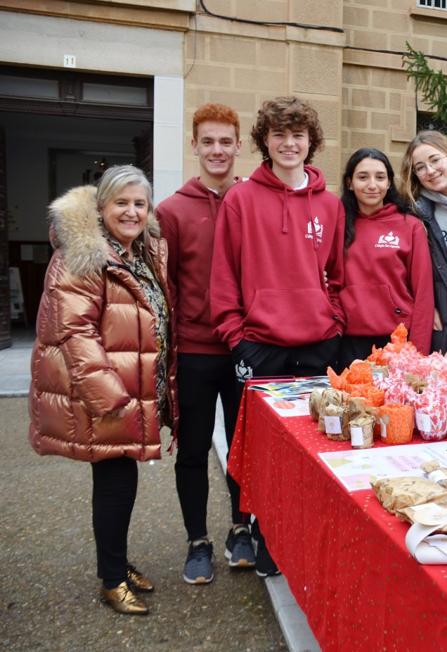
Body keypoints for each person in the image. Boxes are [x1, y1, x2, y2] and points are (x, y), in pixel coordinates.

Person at [29, 165, 175, 615]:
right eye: (121, 203)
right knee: (114, 482)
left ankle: (117, 564)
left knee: (120, 480)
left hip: (134, 388)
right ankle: (112, 580)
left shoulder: (139, 252)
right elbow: (74, 332)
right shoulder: (83, 256)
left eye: (139, 204)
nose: (131, 212)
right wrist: (111, 398)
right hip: (109, 395)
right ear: (101, 207)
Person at [210, 96, 345, 576]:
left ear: (311, 142)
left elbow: (337, 275)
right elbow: (223, 274)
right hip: (260, 346)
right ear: (264, 142)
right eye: (279, 135)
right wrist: (236, 337)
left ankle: (304, 540)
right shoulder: (241, 199)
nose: (289, 144)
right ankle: (265, 538)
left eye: (298, 135)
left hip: (317, 344)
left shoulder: (329, 205)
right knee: (262, 454)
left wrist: (333, 321)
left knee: (315, 447)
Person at [157, 103, 254, 585]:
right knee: (193, 450)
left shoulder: (252, 201)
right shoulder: (171, 211)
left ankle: (241, 529)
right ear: (194, 145)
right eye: (208, 141)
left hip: (245, 349)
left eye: (226, 141)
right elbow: (167, 286)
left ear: (239, 146)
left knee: (244, 449)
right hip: (195, 350)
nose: (218, 150)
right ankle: (197, 540)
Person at [338, 148, 433, 366]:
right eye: (363, 177)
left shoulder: (410, 226)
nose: (372, 185)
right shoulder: (338, 225)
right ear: (350, 183)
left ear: (389, 183)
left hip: (396, 341)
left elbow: (423, 293)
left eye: (380, 177)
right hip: (348, 342)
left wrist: (417, 354)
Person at [400, 131, 447, 354]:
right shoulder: (418, 213)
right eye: (420, 167)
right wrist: (427, 307)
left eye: (434, 160)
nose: (430, 171)